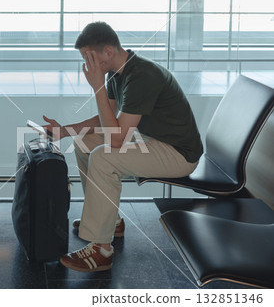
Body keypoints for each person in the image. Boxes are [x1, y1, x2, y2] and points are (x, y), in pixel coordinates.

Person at [42, 21, 203, 273]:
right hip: (155, 141)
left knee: (104, 157)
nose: (88, 65)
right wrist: (65, 130)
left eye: (90, 57)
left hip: (179, 154)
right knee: (86, 141)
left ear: (108, 52)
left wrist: (96, 87)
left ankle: (101, 250)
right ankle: (111, 221)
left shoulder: (142, 76)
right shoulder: (119, 72)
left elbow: (116, 139)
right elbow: (108, 118)